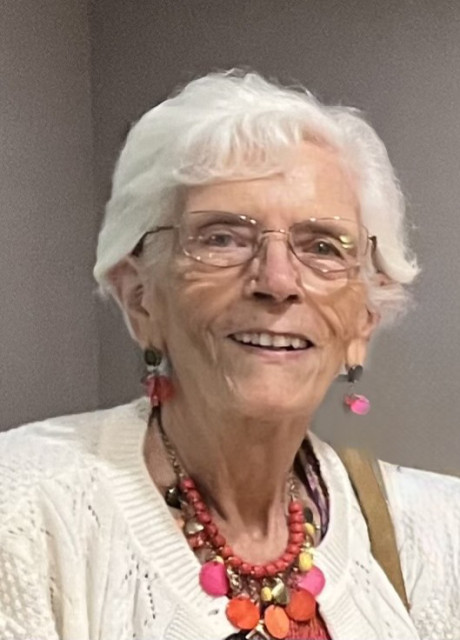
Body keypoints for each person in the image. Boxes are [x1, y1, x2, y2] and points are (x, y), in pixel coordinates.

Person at [0, 70, 458, 640]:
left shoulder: (439, 537)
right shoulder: (23, 515)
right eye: (222, 238)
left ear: (363, 321)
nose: (277, 281)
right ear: (140, 298)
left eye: (322, 246)